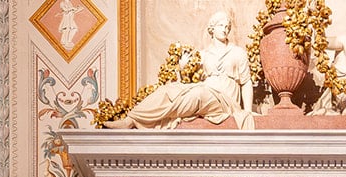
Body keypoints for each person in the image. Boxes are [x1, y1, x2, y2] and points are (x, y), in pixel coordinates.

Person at [101, 12, 253, 129]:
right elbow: (189, 81)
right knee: (168, 90)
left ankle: (146, 120)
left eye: (227, 27)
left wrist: (247, 110)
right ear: (212, 29)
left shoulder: (238, 53)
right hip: (206, 91)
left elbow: (246, 83)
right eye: (221, 25)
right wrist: (182, 67)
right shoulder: (203, 54)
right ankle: (131, 119)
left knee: (198, 94)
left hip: (225, 101)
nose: (225, 29)